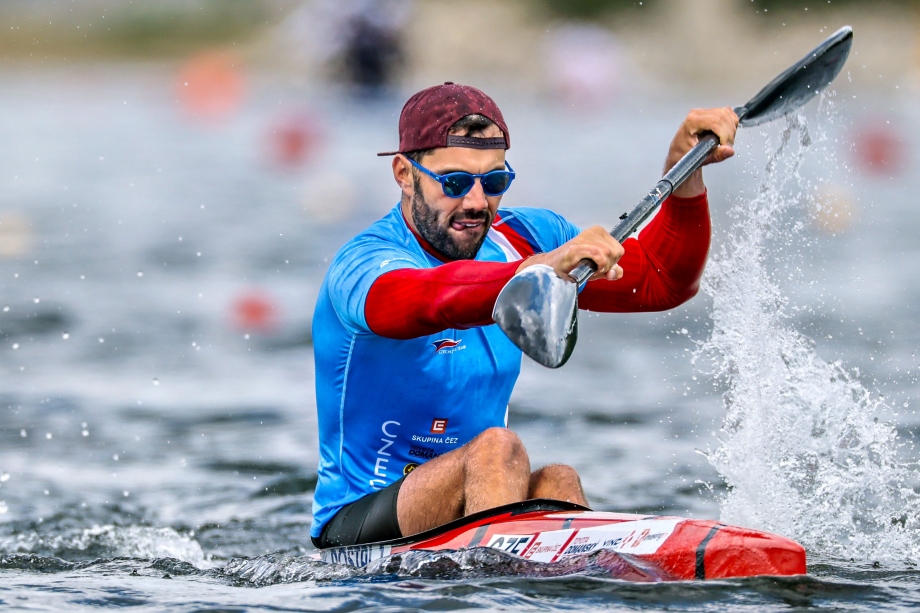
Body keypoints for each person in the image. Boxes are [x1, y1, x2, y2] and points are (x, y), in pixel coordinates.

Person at [310, 82, 738, 548]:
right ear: (403, 173)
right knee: (499, 447)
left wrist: (686, 174)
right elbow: (426, 300)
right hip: (359, 522)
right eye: (453, 182)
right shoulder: (365, 263)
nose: (476, 202)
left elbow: (661, 280)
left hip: (477, 499)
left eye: (493, 182)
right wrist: (536, 271)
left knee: (557, 480)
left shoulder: (527, 237)